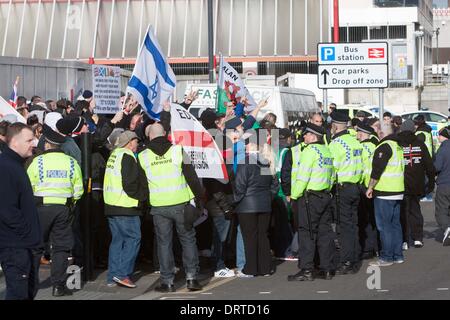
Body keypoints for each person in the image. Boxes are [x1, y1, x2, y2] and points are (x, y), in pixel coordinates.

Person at [139, 123, 204, 293]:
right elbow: (192, 177)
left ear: (150, 136)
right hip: (181, 204)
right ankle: (191, 278)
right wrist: (199, 200)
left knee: (164, 243)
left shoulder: (143, 156)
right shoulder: (178, 150)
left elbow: (142, 186)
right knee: (188, 239)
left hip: (159, 206)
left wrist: (146, 205)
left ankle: (167, 281)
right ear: (166, 134)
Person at [27, 125, 84, 296]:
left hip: (40, 208)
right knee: (61, 248)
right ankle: (58, 286)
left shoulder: (37, 162)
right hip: (63, 209)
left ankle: (29, 281)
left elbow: (28, 186)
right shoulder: (71, 163)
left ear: (47, 145)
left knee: (36, 246)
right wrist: (70, 203)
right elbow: (78, 190)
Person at [0, 123, 42, 300]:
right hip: (16, 246)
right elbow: (6, 209)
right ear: (15, 143)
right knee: (18, 294)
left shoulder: (15, 165)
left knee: (27, 292)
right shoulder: (6, 167)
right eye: (29, 140)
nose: (34, 143)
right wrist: (27, 234)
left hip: (24, 245)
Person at [287, 123, 334, 281]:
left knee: (306, 234)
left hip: (310, 198)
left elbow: (302, 177)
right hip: (325, 196)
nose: (303, 137)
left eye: (306, 134)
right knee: (325, 234)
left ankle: (307, 270)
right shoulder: (326, 151)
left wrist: (294, 196)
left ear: (313, 137)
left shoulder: (309, 151)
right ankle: (326, 268)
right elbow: (332, 176)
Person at [103, 130, 148, 288]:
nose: (137, 144)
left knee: (117, 241)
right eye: (136, 141)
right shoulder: (127, 156)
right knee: (133, 239)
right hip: (125, 205)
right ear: (129, 142)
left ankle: (112, 276)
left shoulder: (114, 155)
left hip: (112, 205)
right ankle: (122, 274)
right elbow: (129, 183)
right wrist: (141, 197)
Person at [234, 129, 279, 277]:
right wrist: (267, 198)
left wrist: (235, 201)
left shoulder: (245, 162)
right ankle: (265, 268)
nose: (245, 147)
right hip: (264, 204)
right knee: (262, 236)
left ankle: (250, 268)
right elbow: (274, 185)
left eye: (246, 144)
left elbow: (239, 186)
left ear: (251, 145)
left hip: (247, 206)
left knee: (249, 237)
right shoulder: (265, 162)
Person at [329, 110, 363, 274]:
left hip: (341, 189)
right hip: (355, 187)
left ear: (335, 126)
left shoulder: (336, 144)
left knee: (344, 227)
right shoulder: (355, 141)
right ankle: (354, 258)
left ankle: (347, 260)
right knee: (353, 224)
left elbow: (331, 169)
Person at [366, 124, 405, 266]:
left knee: (384, 226)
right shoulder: (397, 146)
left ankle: (387, 257)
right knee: (395, 224)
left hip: (385, 191)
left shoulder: (384, 146)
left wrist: (370, 187)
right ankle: (397, 255)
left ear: (382, 133)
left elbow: (377, 170)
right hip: (397, 190)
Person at [397, 120, 435, 249]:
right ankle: (417, 237)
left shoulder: (398, 143)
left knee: (403, 212)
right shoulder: (420, 144)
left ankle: (405, 240)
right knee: (415, 211)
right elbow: (429, 165)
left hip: (401, 183)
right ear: (413, 129)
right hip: (417, 184)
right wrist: (431, 183)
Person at [356, 122, 378, 259]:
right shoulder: (375, 147)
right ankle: (375, 246)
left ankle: (368, 248)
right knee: (374, 218)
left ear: (361, 134)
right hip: (375, 185)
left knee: (364, 219)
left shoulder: (361, 148)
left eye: (358, 133)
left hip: (364, 186)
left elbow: (359, 168)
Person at [434, 127, 450, 246]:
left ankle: (447, 227)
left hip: (445, 183)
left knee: (442, 209)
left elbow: (437, 167)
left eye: (439, 135)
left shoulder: (442, 149)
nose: (438, 137)